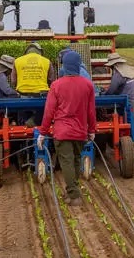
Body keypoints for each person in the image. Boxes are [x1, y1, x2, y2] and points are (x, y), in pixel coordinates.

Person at [39, 51, 96, 206]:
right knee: (76, 160)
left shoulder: (56, 85)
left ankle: (74, 195)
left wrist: (43, 132)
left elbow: (49, 111)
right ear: (78, 65)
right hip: (80, 131)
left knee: (67, 162)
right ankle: (73, 191)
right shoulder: (88, 85)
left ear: (64, 65)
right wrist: (92, 130)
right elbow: (91, 111)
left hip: (62, 131)